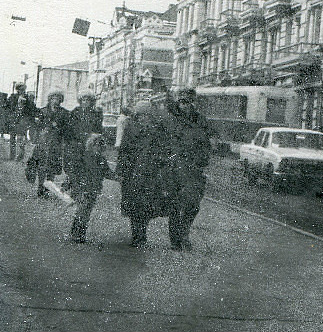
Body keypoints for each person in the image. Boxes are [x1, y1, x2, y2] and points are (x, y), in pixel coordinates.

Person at [117, 90, 177, 248]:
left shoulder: (158, 130)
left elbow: (166, 150)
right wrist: (121, 171)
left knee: (147, 207)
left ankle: (141, 235)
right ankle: (137, 236)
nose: (144, 118)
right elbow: (124, 151)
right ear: (136, 116)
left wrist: (164, 164)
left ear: (151, 116)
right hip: (133, 173)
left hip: (152, 174)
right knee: (134, 206)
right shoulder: (130, 129)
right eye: (141, 115)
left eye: (147, 115)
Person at [165, 87, 214, 251]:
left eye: (188, 102)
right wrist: (171, 159)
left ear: (193, 103)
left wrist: (202, 159)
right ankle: (176, 240)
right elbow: (164, 144)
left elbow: (207, 143)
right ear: (178, 103)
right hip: (174, 169)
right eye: (182, 102)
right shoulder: (171, 119)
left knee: (193, 204)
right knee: (175, 205)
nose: (185, 106)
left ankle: (184, 233)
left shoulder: (200, 120)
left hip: (194, 167)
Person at [67, 133, 115, 243]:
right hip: (82, 188)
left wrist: (119, 178)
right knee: (82, 211)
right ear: (92, 144)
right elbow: (74, 171)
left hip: (93, 189)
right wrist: (68, 184)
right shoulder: (83, 156)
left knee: (86, 213)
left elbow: (107, 172)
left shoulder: (101, 159)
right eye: (98, 145)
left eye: (101, 145)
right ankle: (76, 235)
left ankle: (80, 235)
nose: (100, 148)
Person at [32, 91, 70, 196]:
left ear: (61, 100)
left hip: (56, 143)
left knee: (52, 167)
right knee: (42, 165)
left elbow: (67, 128)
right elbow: (37, 127)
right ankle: (40, 187)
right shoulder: (43, 111)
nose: (55, 101)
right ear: (50, 99)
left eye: (58, 99)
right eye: (53, 98)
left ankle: (47, 189)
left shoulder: (64, 113)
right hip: (43, 142)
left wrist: (58, 127)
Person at [64, 92, 103, 192]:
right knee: (74, 165)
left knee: (88, 165)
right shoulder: (75, 112)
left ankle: (85, 187)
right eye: (83, 100)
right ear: (80, 101)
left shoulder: (95, 113)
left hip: (89, 143)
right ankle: (71, 184)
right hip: (76, 142)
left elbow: (98, 128)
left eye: (88, 100)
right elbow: (69, 127)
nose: (85, 102)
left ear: (91, 102)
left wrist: (95, 138)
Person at [6, 84, 36, 160]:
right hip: (13, 120)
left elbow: (31, 108)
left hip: (22, 121)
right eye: (21, 89)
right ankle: (12, 155)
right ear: (17, 90)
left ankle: (21, 155)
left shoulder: (27, 98)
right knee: (12, 138)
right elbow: (7, 107)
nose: (22, 91)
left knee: (21, 138)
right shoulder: (13, 97)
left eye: (23, 89)